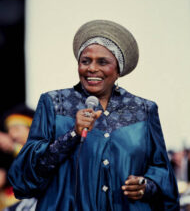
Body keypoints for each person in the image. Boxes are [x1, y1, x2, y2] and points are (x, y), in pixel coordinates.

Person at [8, 20, 179, 210]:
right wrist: (72, 134)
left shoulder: (144, 110)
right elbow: (27, 174)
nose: (91, 68)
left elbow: (162, 172)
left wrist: (145, 186)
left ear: (118, 70)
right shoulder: (54, 103)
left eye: (103, 62)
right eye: (85, 61)